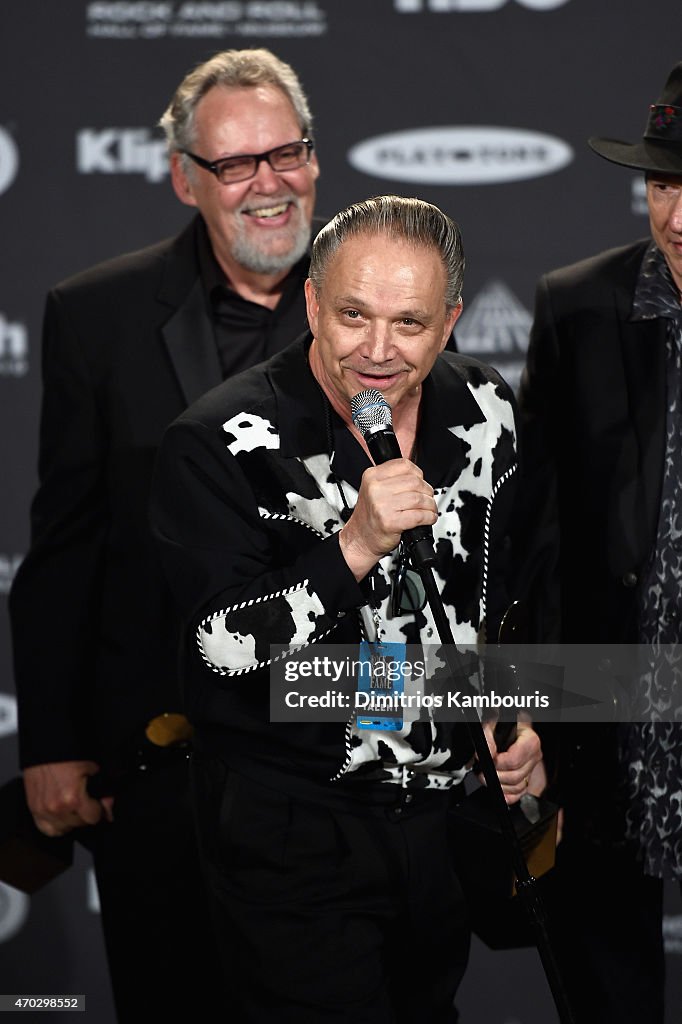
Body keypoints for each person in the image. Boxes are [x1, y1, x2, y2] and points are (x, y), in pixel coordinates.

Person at [150, 194, 544, 1023]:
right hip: (295, 829)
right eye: (353, 315)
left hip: (439, 827)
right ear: (311, 306)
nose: (376, 351)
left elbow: (502, 593)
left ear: (450, 323)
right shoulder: (221, 439)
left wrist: (515, 719)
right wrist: (354, 546)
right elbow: (217, 653)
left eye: (408, 323)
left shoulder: (487, 409)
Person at [8, 47, 322, 1021]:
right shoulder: (95, 316)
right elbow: (64, 543)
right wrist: (51, 741)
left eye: (286, 154)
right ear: (186, 179)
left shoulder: (377, 308)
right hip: (160, 776)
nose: (267, 184)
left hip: (336, 773)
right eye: (235, 164)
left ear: (314, 162)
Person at [514, 61, 682, 1024]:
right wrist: (530, 711)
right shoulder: (576, 306)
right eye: (663, 184)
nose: (677, 218)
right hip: (604, 725)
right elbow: (538, 539)